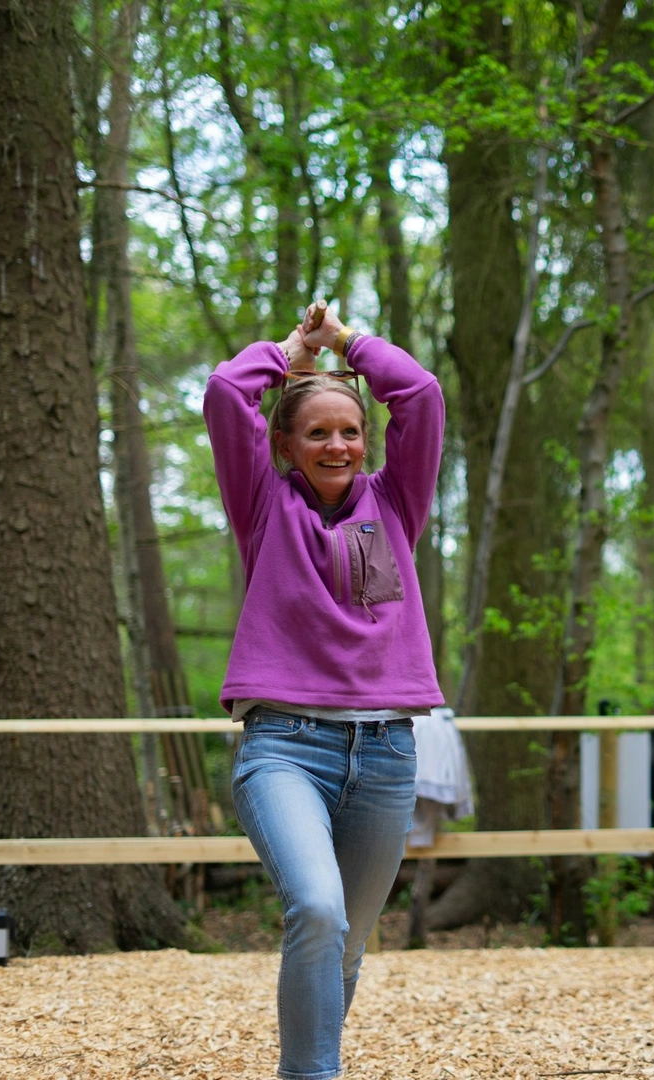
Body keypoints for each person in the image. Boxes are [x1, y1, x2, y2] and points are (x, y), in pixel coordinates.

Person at [204, 301, 445, 1080]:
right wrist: (291, 350)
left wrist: (349, 344)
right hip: (285, 747)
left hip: (386, 751)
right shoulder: (264, 505)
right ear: (287, 445)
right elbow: (222, 392)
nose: (336, 443)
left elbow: (423, 395)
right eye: (317, 432)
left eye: (349, 431)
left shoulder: (396, 504)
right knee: (315, 907)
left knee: (344, 941)